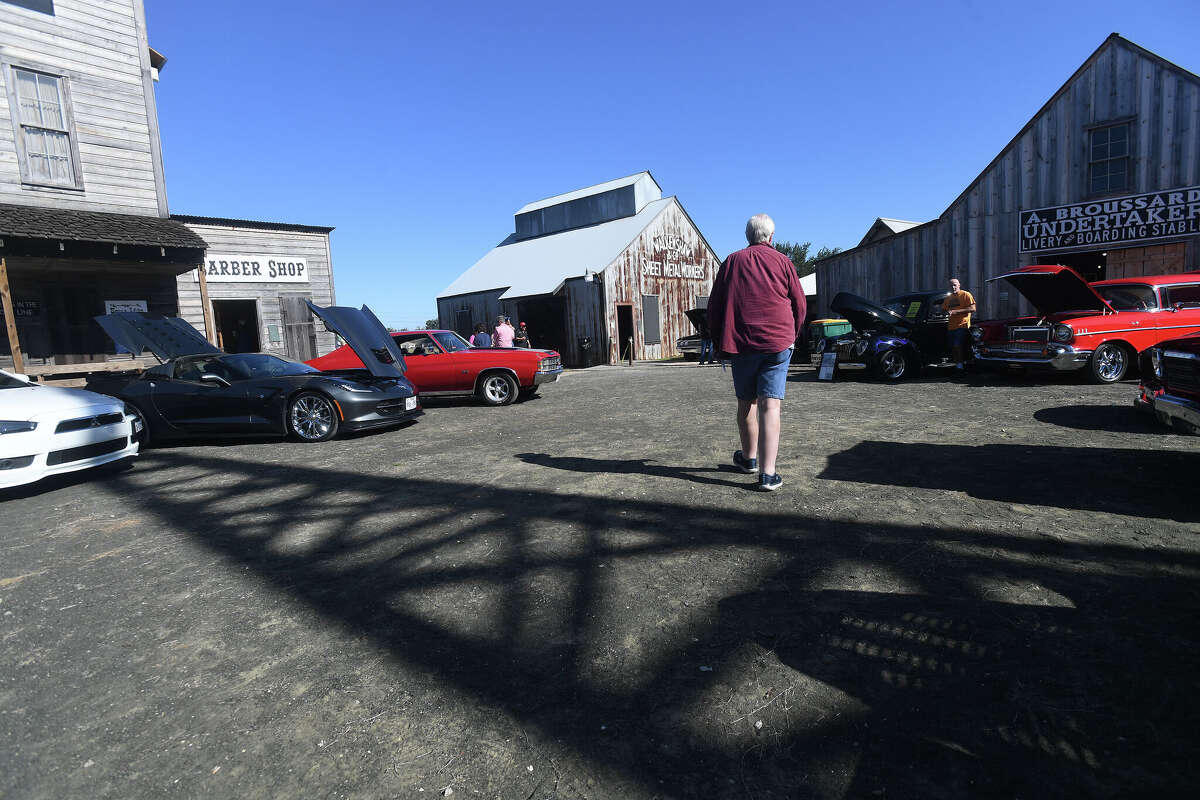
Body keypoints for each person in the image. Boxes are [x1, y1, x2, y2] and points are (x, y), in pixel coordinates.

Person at [706, 213, 806, 491]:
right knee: (770, 405)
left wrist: (717, 341)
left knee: (746, 402)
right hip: (778, 342)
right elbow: (799, 303)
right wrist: (793, 335)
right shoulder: (784, 262)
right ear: (771, 237)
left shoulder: (731, 262)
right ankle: (768, 474)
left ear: (748, 236)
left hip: (742, 343)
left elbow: (714, 306)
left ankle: (749, 459)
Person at [941, 277, 976, 370]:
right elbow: (943, 309)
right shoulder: (948, 298)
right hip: (951, 327)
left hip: (962, 325)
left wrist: (956, 312)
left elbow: (973, 308)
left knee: (957, 346)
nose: (953, 287)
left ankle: (960, 368)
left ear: (959, 285)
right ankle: (958, 366)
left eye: (955, 285)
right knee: (953, 348)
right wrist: (945, 312)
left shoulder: (966, 294)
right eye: (951, 285)